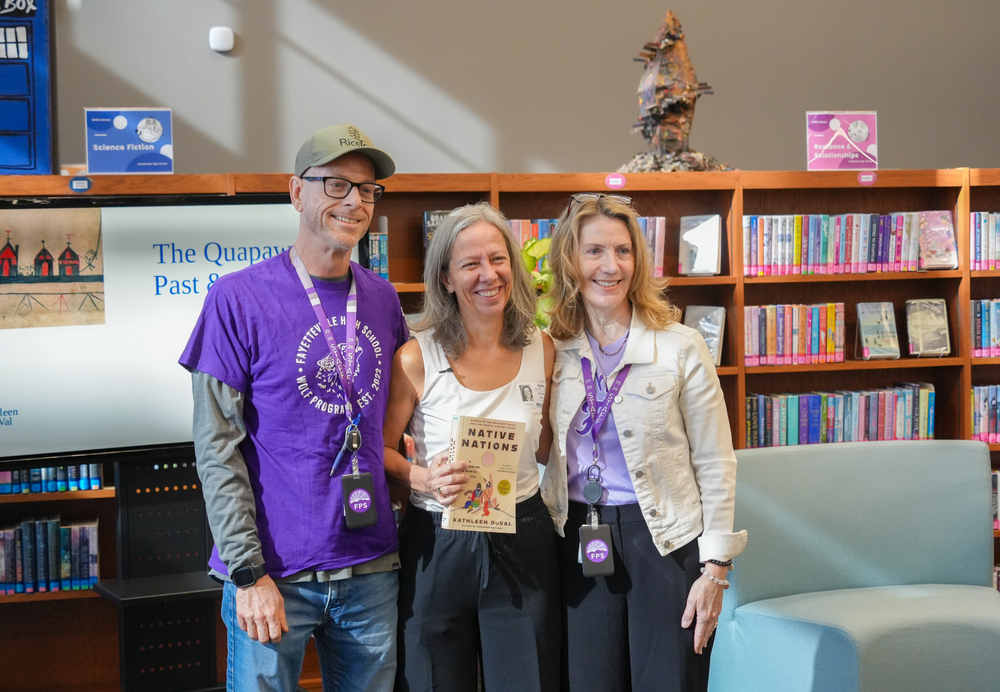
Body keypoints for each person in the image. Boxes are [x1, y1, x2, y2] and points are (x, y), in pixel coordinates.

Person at [179, 124, 409, 692]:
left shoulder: (381, 299)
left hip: (371, 566)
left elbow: (401, 424)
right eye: (335, 185)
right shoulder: (237, 298)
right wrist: (247, 571)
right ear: (296, 192)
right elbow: (216, 448)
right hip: (274, 572)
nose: (354, 201)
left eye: (367, 189)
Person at [540, 193, 747, 692]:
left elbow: (716, 461)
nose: (610, 266)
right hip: (575, 535)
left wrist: (715, 570)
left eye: (623, 251)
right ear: (569, 260)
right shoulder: (548, 347)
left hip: (664, 541)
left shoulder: (680, 345)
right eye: (594, 251)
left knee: (669, 681)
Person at [382, 202, 560, 692]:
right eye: (471, 264)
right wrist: (422, 477)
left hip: (524, 536)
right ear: (445, 279)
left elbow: (546, 446)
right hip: (438, 543)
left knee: (530, 678)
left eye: (498, 259)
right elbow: (378, 449)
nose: (489, 274)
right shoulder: (416, 356)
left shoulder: (541, 348)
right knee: (432, 679)